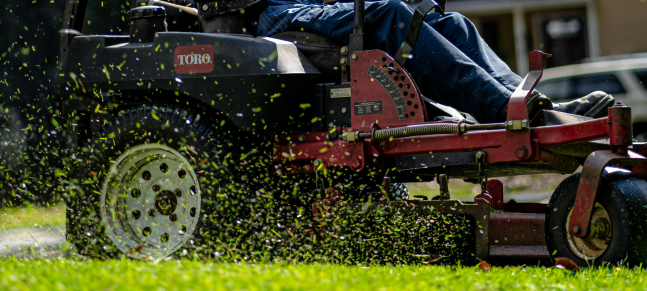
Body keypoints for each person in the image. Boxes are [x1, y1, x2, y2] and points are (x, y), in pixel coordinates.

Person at [248, 0, 614, 124]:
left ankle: (524, 101)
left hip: (308, 6)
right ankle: (505, 109)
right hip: (272, 14)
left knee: (451, 22)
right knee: (390, 12)